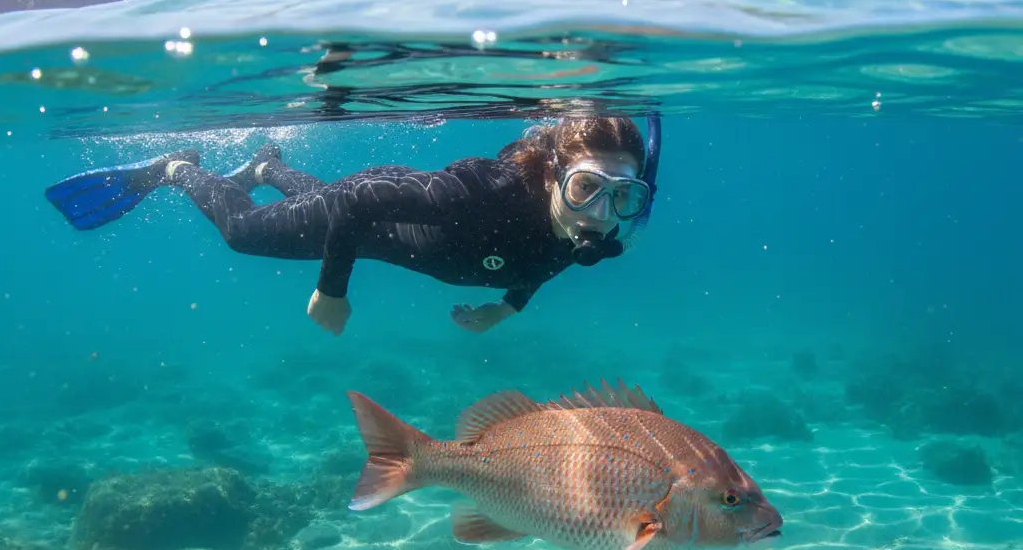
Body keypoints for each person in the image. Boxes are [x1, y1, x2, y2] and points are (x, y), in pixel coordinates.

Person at [44, 108, 661, 336]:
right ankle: (177, 168)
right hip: (368, 206)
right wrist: (331, 289)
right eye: (585, 189)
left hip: (381, 232)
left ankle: (266, 164)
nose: (601, 216)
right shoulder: (475, 192)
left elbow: (549, 258)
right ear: (553, 177)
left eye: (622, 197)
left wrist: (508, 307)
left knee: (309, 206)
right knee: (246, 234)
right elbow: (358, 205)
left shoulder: (593, 234)